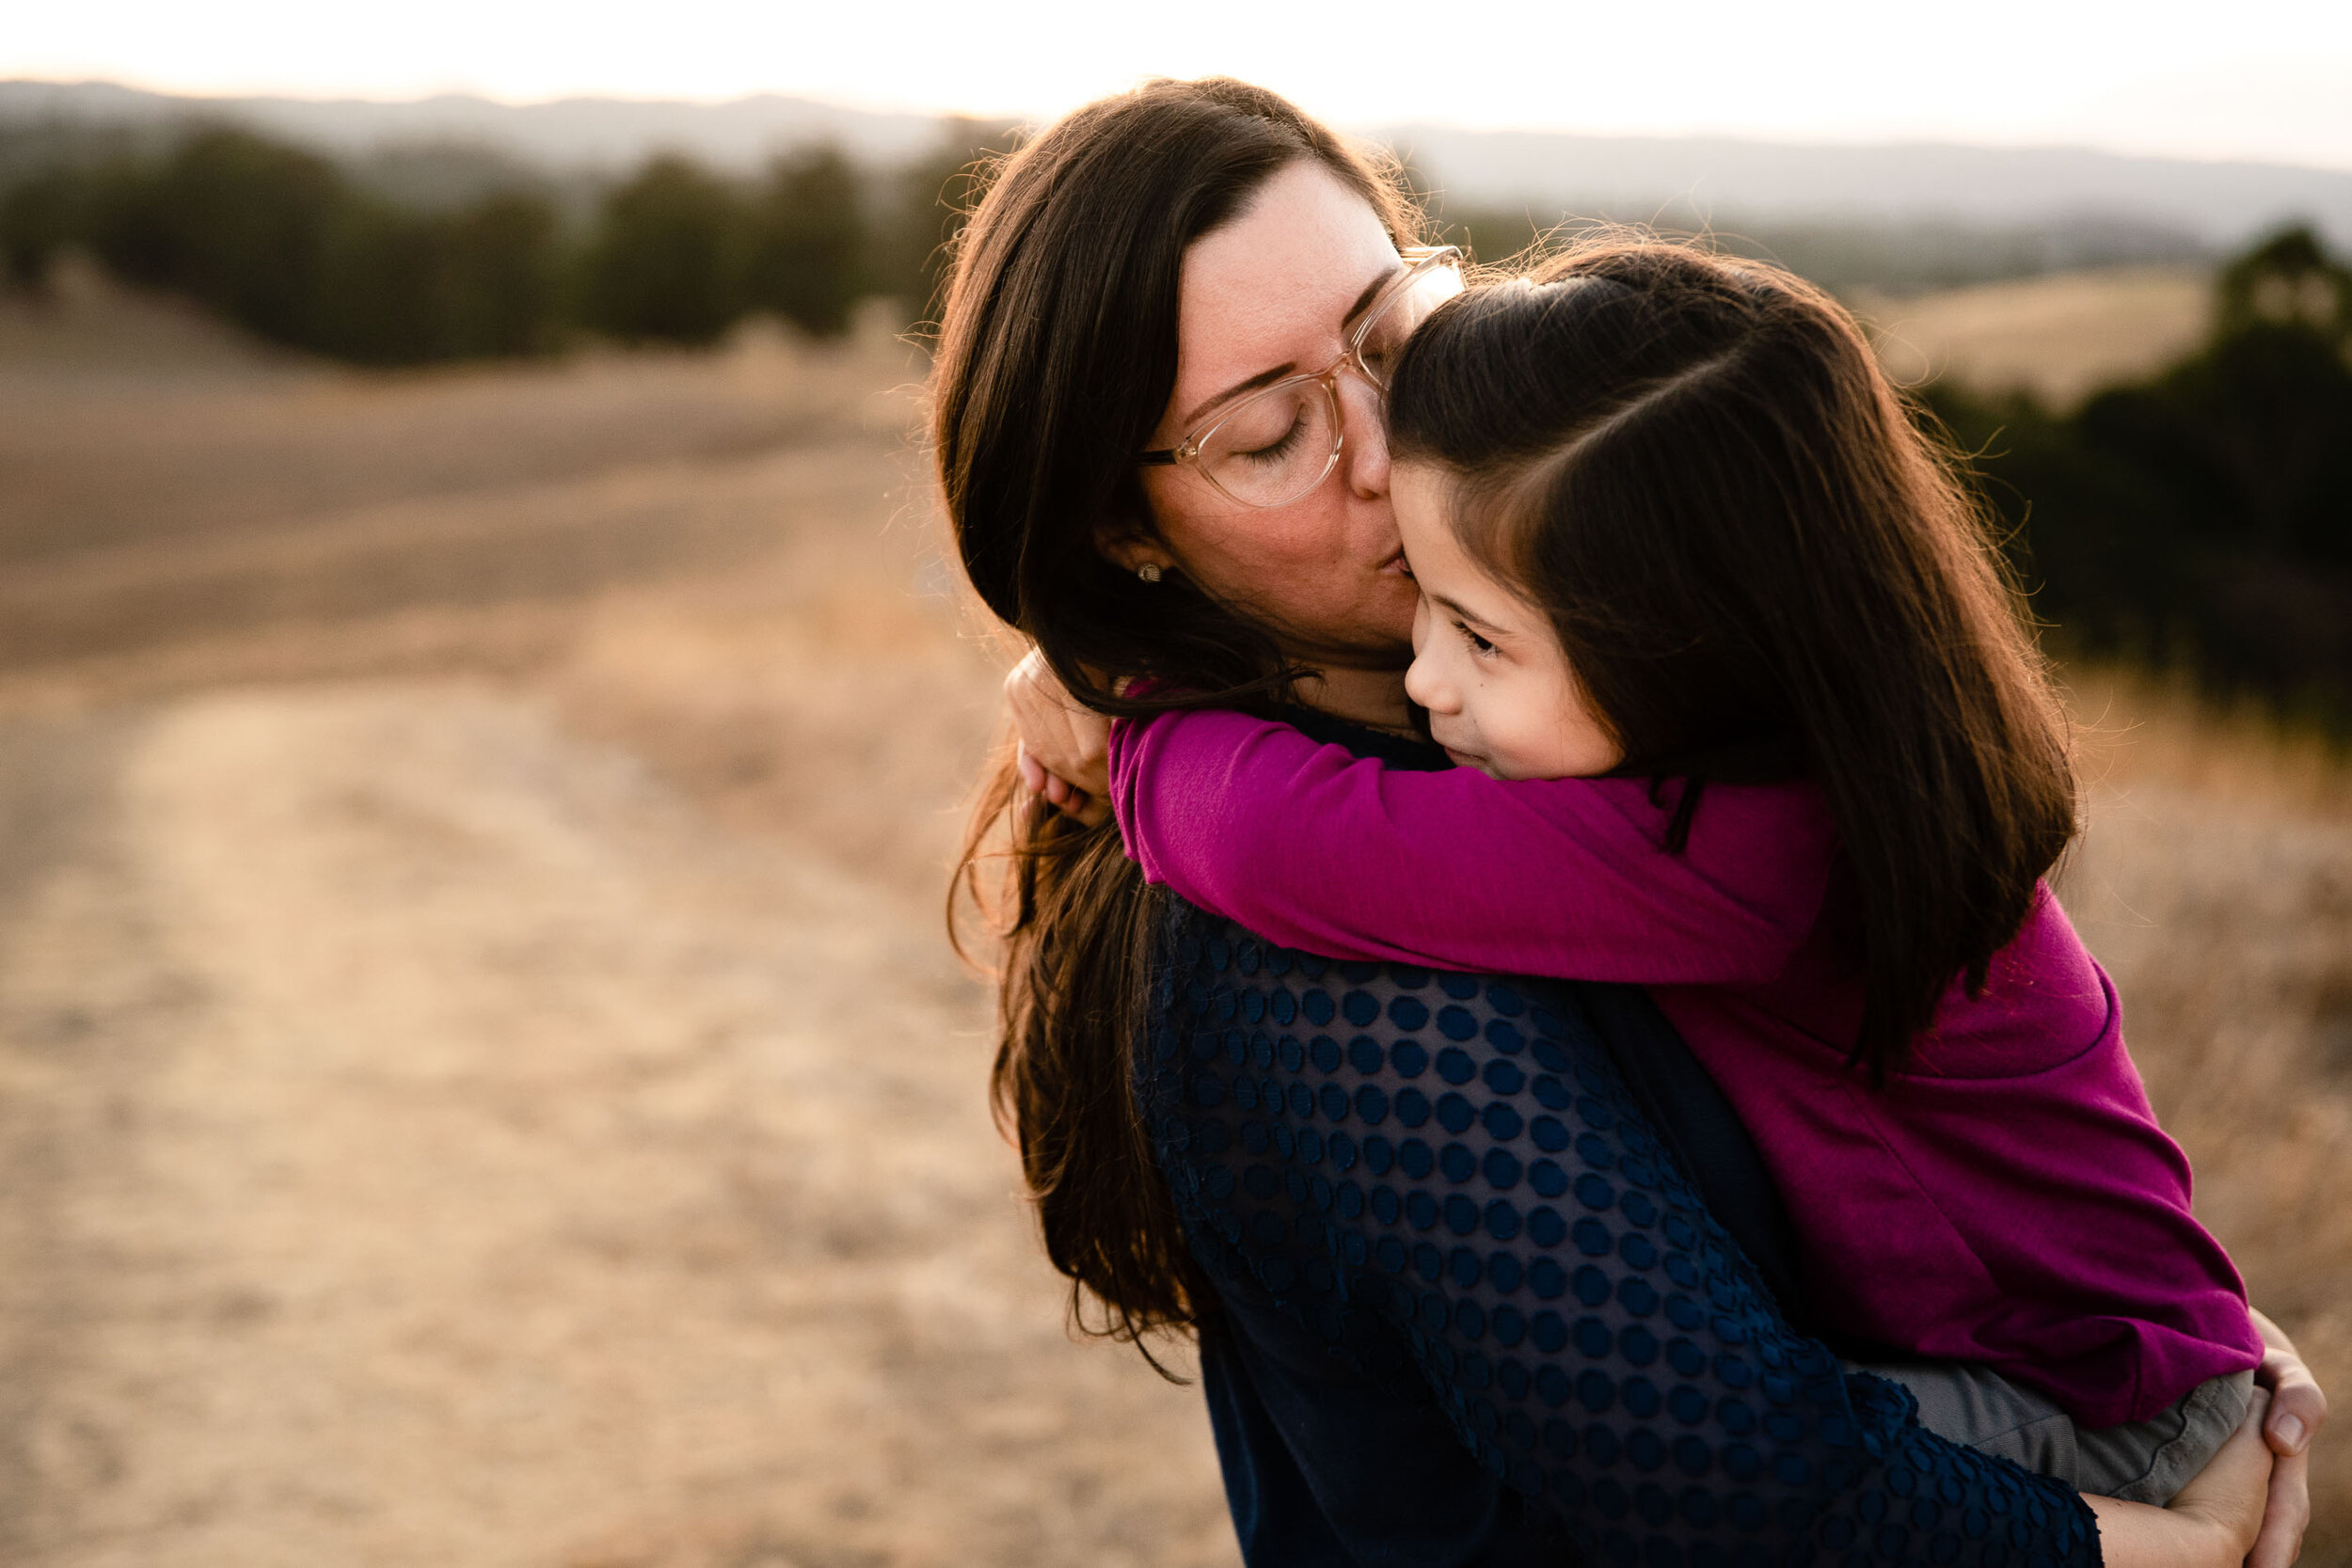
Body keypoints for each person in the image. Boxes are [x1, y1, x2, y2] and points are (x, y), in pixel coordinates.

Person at [942, 76, 2322, 1566]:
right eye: (1272, 432)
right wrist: (2172, 1544)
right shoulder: (1317, 965)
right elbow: (1746, 1481)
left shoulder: (1621, 747)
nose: (1390, 449)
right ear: (1121, 529)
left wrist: (2178, 1335)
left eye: (1391, 342)